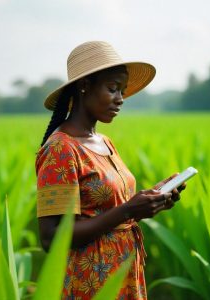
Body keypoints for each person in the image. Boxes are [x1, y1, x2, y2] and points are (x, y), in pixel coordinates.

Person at [36, 41, 185, 300]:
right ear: (84, 86)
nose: (121, 99)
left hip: (124, 273)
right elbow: (51, 238)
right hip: (91, 282)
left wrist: (150, 200)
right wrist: (128, 210)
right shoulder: (61, 149)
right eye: (113, 89)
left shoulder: (104, 142)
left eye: (123, 91)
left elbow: (110, 208)